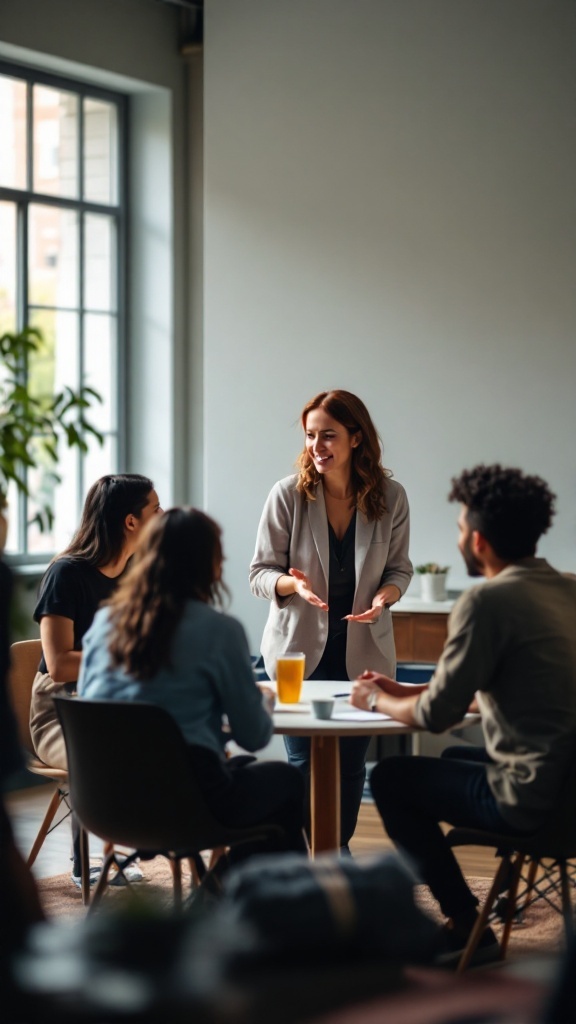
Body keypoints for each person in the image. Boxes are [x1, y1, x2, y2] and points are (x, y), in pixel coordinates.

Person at [351, 464, 576, 964]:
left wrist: (374, 700)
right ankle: (493, 901)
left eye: (458, 529)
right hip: (569, 791)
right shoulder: (568, 590)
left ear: (477, 541)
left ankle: (462, 922)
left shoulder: (488, 600)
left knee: (390, 777)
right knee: (455, 754)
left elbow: (435, 715)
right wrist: (403, 687)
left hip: (528, 797)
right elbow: (509, 690)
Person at [78, 507, 307, 863]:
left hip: (101, 802)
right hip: (186, 802)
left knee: (245, 774)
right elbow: (254, 736)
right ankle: (242, 896)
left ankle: (232, 896)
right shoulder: (219, 630)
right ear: (209, 565)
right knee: (287, 783)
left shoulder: (103, 623)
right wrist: (263, 699)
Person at [250, 389, 412, 849]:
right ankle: (307, 856)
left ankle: (335, 852)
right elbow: (259, 573)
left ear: (356, 438)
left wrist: (385, 597)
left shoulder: (391, 498)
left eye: (328, 435)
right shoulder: (287, 494)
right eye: (310, 436)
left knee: (349, 767)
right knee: (302, 762)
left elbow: (400, 568)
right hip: (296, 652)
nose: (317, 446)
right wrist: (291, 586)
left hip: (366, 652)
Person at [30, 473, 162, 886]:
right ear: (130, 522)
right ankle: (84, 859)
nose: (163, 516)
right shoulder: (66, 574)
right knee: (104, 757)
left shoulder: (138, 570)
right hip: (61, 709)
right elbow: (59, 665)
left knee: (172, 749)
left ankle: (153, 843)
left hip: (113, 699)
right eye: (156, 510)